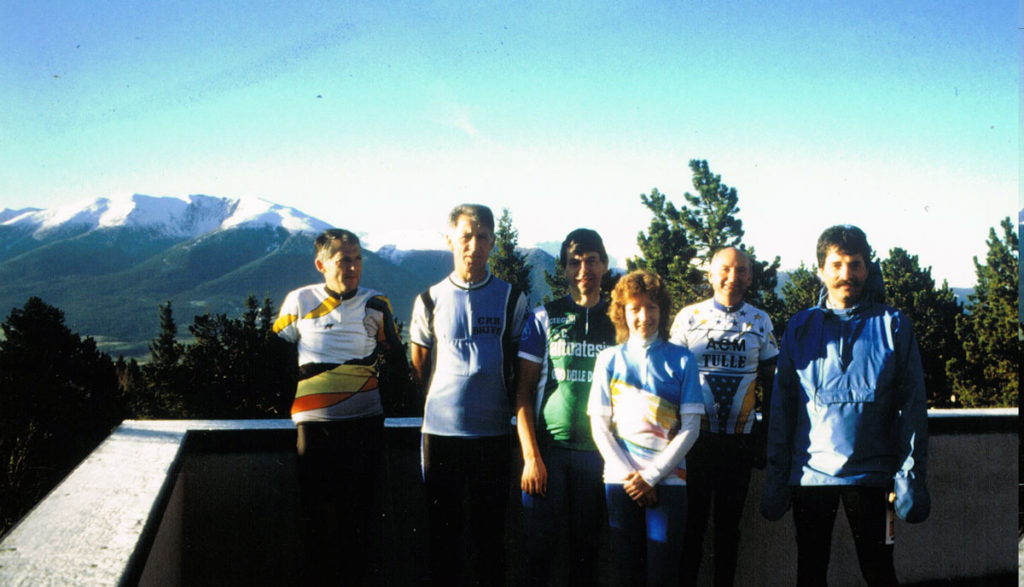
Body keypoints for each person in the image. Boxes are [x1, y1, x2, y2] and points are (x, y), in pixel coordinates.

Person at [761, 225, 930, 586]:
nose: (846, 274)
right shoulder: (800, 327)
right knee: (810, 572)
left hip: (874, 475)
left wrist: (909, 475)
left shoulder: (893, 325)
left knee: (880, 571)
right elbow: (783, 407)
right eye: (836, 264)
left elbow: (913, 406)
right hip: (809, 475)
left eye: (855, 264)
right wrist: (777, 475)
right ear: (820, 269)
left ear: (867, 268)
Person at [273, 228, 409, 585]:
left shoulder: (377, 302)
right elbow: (275, 356)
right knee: (316, 516)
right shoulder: (298, 301)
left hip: (365, 421)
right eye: (343, 260)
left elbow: (396, 358)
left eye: (358, 259)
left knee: (361, 518)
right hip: (313, 424)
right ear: (321, 264)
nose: (353, 267)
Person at [409, 203, 529, 586]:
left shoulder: (512, 298)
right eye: (465, 236)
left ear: (493, 242)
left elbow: (518, 364)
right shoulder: (428, 300)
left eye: (482, 237)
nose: (473, 245)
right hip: (441, 435)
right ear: (449, 240)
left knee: (490, 541)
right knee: (443, 539)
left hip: (492, 434)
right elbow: (419, 366)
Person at [670, 247, 778, 586]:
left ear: (750, 275)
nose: (733, 277)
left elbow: (771, 384)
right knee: (692, 528)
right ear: (710, 274)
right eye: (725, 269)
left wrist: (764, 438)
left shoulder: (760, 320)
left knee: (729, 531)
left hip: (739, 444)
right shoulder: (688, 317)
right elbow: (671, 379)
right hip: (694, 442)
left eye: (741, 270)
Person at [588, 269, 704, 587]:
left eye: (651, 307)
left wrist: (651, 477)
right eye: (635, 307)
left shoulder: (682, 360)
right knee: (627, 572)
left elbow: (691, 427)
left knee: (663, 575)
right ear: (622, 312)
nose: (643, 316)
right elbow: (599, 424)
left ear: (662, 311)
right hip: (620, 480)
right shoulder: (608, 359)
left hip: (669, 482)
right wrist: (632, 478)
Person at [515, 228, 617, 586]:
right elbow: (524, 393)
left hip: (600, 457)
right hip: (549, 455)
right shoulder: (545, 317)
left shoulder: (621, 321)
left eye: (591, 260)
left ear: (604, 264)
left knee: (586, 555)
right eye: (574, 262)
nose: (583, 269)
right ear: (563, 269)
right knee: (539, 552)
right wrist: (531, 457)